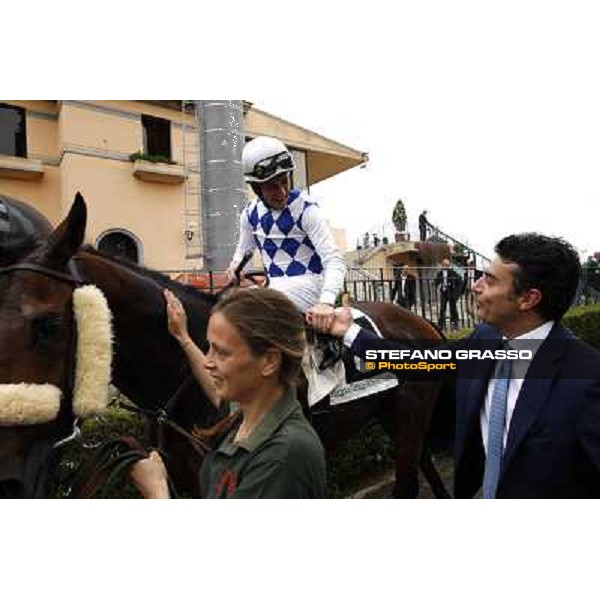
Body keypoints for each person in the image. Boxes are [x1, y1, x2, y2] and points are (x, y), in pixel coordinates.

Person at [316, 233, 600, 498]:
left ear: (528, 298)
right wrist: (349, 331)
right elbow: (419, 363)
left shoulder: (587, 379)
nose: (475, 286)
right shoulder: (486, 340)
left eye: (489, 280)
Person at [130, 287, 327, 499]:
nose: (207, 362)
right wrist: (183, 338)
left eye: (222, 353)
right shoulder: (244, 416)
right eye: (210, 348)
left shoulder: (283, 456)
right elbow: (216, 393)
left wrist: (157, 490)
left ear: (269, 361)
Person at [228, 136, 346, 333]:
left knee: (263, 305)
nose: (282, 192)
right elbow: (242, 257)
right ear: (257, 188)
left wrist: (326, 302)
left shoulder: (307, 209)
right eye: (272, 186)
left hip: (311, 286)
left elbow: (334, 260)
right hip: (274, 288)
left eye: (285, 181)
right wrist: (234, 271)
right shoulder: (249, 215)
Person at [435, 258, 461, 331]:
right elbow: (436, 281)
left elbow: (459, 279)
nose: (445, 266)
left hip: (451, 292)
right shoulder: (440, 273)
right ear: (442, 265)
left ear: (449, 265)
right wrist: (436, 285)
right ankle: (441, 325)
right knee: (442, 308)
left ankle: (454, 324)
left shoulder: (452, 272)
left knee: (453, 308)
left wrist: (456, 292)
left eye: (447, 265)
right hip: (443, 292)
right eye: (444, 265)